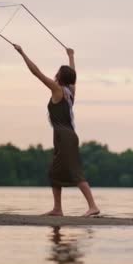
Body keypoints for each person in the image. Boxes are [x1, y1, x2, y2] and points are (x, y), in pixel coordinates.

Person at [13, 44, 100, 217]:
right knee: (55, 172)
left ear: (60, 76)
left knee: (74, 171)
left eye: (58, 72)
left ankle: (93, 206)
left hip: (65, 136)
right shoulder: (70, 90)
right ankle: (58, 209)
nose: (56, 73)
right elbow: (73, 75)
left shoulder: (58, 90)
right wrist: (71, 56)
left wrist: (22, 53)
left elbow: (36, 73)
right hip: (62, 136)